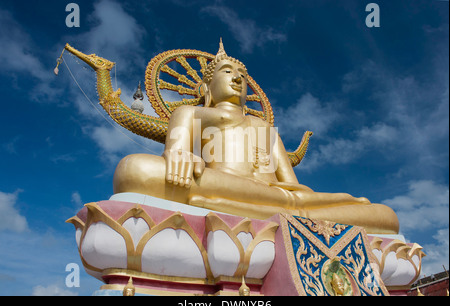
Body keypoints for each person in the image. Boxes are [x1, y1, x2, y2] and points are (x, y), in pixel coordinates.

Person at [113, 40, 399, 234]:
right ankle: (292, 218)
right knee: (137, 170)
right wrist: (181, 156)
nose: (237, 78)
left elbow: (290, 186)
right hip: (220, 183)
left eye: (242, 75)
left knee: (385, 215)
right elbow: (175, 154)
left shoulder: (262, 127)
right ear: (205, 87)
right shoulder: (190, 113)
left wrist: (306, 199)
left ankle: (281, 214)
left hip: (279, 198)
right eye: (228, 72)